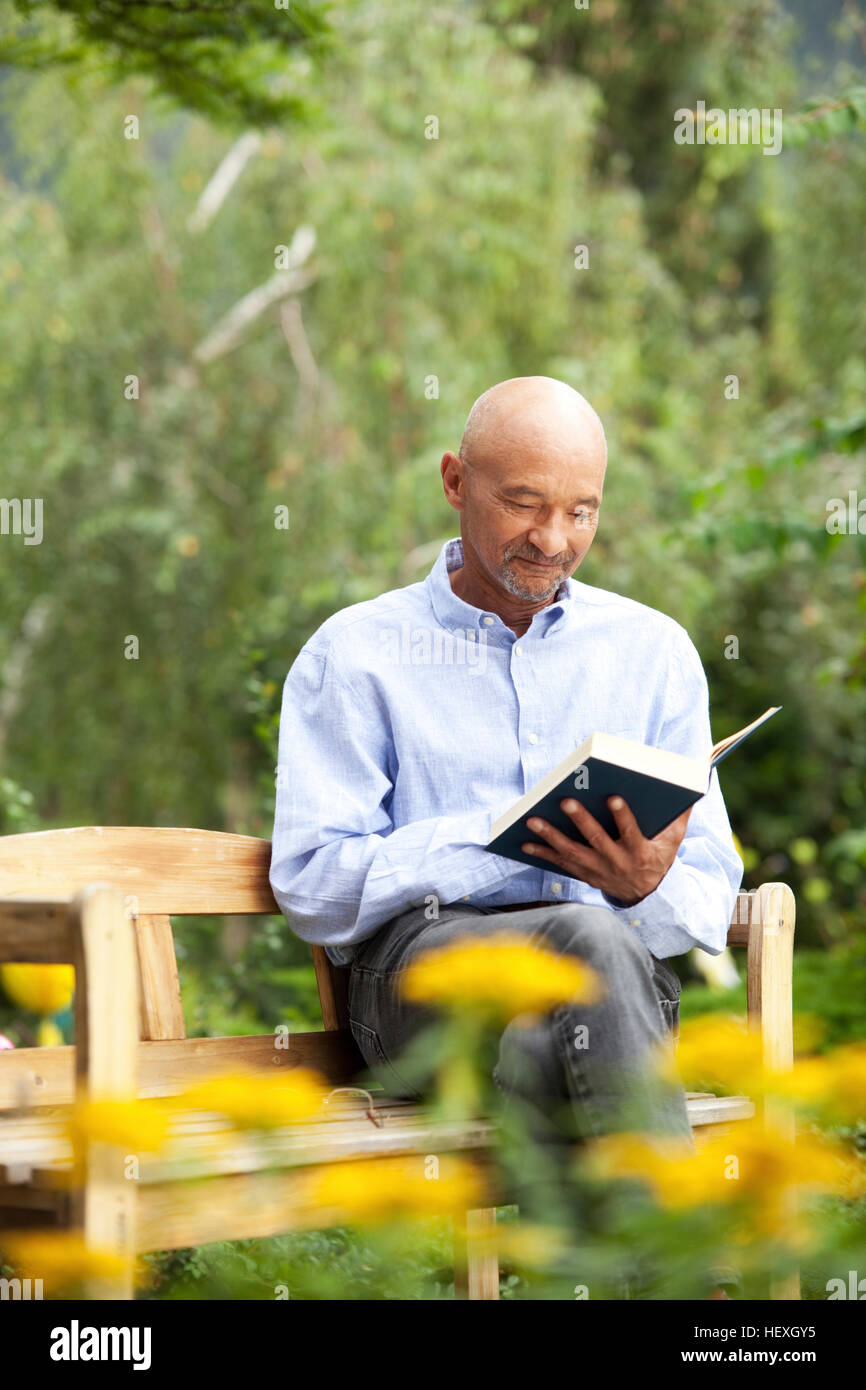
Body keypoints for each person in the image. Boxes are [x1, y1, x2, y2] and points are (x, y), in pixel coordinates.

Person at [270, 376, 744, 1294]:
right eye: (522, 502)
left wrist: (646, 886)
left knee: (566, 1005)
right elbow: (313, 887)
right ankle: (700, 1300)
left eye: (580, 511)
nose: (552, 539)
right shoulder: (356, 652)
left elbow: (711, 875)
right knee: (585, 930)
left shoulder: (653, 653)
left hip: (601, 1009)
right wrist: (497, 842)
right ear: (455, 481)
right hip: (420, 986)